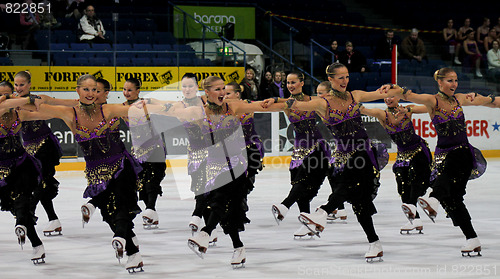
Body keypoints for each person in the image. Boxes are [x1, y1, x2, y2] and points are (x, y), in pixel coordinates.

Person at [16, 74, 146, 272]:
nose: (92, 93)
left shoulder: (108, 109)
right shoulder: (71, 113)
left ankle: (126, 244)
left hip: (120, 165)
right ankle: (129, 245)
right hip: (95, 173)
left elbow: (136, 110)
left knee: (120, 205)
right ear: (77, 91)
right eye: (86, 89)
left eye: (95, 89)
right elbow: (44, 105)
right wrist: (25, 99)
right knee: (109, 213)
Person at [289, 63, 395, 262]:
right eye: (340, 77)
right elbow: (294, 104)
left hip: (364, 151)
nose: (345, 81)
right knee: (360, 204)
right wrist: (273, 102)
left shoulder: (355, 95)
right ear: (330, 79)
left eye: (347, 76)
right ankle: (375, 243)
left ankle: (322, 212)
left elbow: (378, 93)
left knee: (346, 186)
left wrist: (395, 90)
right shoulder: (322, 102)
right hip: (345, 156)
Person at [388, 67, 492, 256]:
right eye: (450, 81)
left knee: (447, 177)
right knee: (453, 200)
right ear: (440, 82)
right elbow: (410, 96)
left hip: (462, 152)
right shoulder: (432, 101)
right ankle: (472, 238)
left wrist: (491, 100)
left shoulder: (459, 99)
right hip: (443, 154)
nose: (454, 84)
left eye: (456, 80)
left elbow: (487, 102)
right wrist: (397, 91)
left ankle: (433, 199)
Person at [270, 72, 331, 239]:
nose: (290, 85)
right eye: (288, 82)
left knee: (304, 181)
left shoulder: (312, 101)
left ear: (302, 83)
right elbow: (272, 104)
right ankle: (307, 221)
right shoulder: (286, 104)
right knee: (299, 184)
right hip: (299, 148)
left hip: (316, 146)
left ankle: (285, 206)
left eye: (293, 82)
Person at [360, 96, 432, 234]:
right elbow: (366, 111)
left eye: (392, 95)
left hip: (417, 150)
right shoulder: (383, 114)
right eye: (386, 96)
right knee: (403, 187)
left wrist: (408, 108)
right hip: (402, 154)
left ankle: (434, 200)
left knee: (417, 180)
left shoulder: (408, 110)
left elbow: (429, 107)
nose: (388, 99)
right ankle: (414, 220)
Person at [0, 81, 46, 264]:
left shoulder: (19, 113)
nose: (3, 98)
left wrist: (75, 108)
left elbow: (49, 112)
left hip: (21, 164)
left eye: (7, 94)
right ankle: (34, 240)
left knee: (22, 203)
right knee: (18, 209)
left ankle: (31, 238)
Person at [14, 71, 64, 237]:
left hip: (45, 146)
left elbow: (54, 106)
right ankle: (53, 219)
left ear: (29, 85)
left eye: (22, 84)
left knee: (41, 182)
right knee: (36, 184)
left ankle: (28, 213)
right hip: (28, 149)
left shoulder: (37, 100)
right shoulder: (12, 102)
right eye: (16, 85)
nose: (18, 88)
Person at [121, 78, 167, 229]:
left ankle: (151, 209)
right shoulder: (121, 108)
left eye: (129, 90)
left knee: (152, 180)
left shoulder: (146, 104)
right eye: (124, 89)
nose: (126, 93)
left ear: (138, 91)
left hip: (155, 147)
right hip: (138, 151)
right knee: (142, 183)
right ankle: (151, 213)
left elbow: (166, 108)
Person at [315, 81, 348, 222]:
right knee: (333, 175)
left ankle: (335, 206)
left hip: (352, 146)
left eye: (320, 93)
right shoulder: (321, 107)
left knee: (342, 179)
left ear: (329, 93)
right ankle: (339, 208)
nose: (318, 96)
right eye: (317, 93)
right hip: (340, 147)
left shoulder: (338, 105)